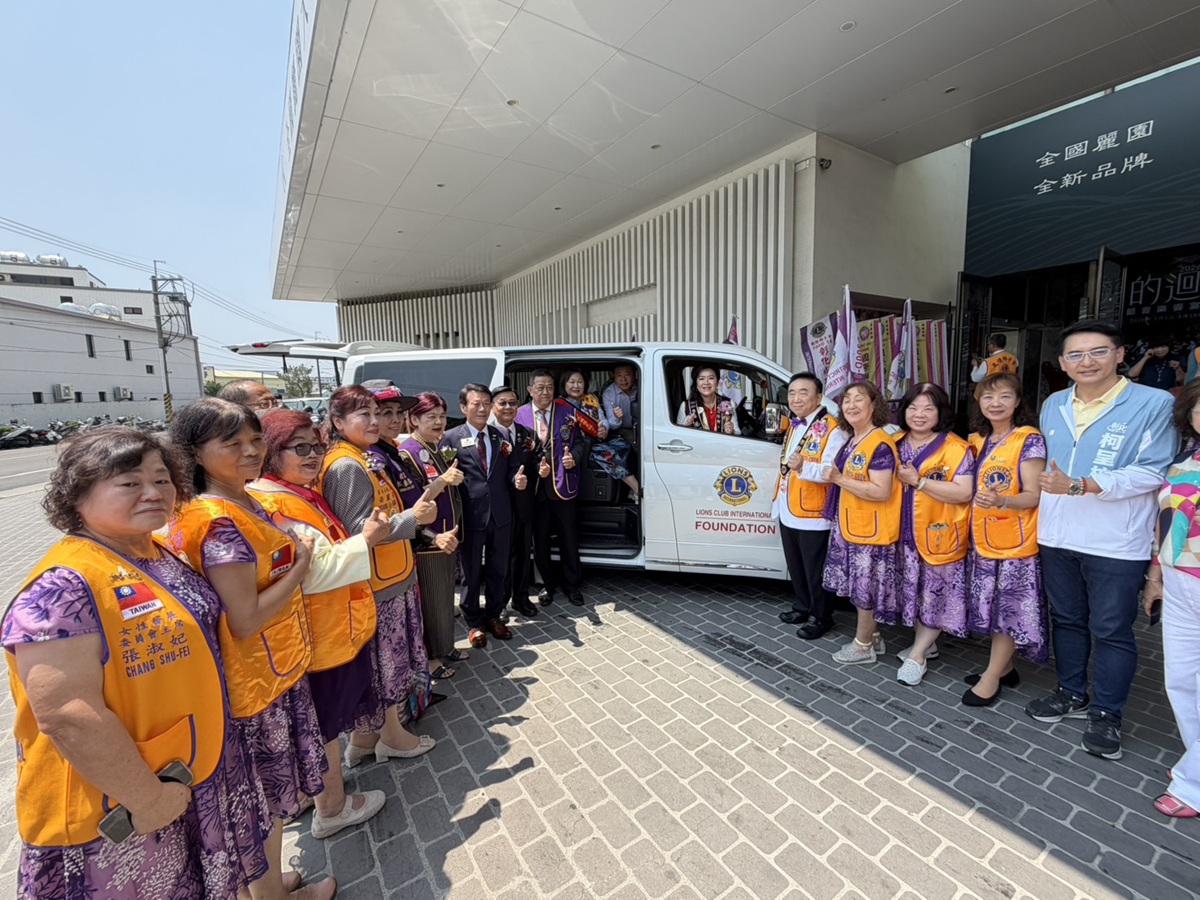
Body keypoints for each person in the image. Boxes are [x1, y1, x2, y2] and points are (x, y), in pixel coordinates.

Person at [3, 427, 270, 899]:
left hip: (184, 771)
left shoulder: (151, 552)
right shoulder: (62, 587)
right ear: (79, 494)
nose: (153, 492)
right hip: (121, 806)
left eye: (161, 479)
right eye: (129, 483)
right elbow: (66, 713)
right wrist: (147, 800)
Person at [168, 399, 334, 900]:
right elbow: (244, 618)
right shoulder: (218, 521)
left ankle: (264, 886)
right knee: (266, 801)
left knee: (259, 803)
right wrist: (301, 565)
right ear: (194, 453)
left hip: (269, 672)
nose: (251, 451)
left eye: (255, 439)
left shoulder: (238, 501)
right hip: (256, 686)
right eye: (232, 443)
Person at [1026, 319, 1175, 760]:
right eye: (1075, 354)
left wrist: (1082, 485)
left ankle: (1107, 713)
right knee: (1066, 619)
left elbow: (1153, 470)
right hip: (1057, 534)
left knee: (1111, 629)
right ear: (1062, 363)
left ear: (1120, 354)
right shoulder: (1054, 403)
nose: (1086, 361)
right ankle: (1071, 692)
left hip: (1116, 541)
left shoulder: (1153, 402)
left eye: (1098, 351)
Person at [248, 410, 389, 841]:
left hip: (329, 629)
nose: (313, 456)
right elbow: (315, 572)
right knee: (322, 726)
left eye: (316, 446)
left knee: (322, 723)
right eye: (300, 448)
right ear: (272, 452)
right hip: (317, 636)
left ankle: (318, 792)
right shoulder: (277, 504)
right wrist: (366, 540)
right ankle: (332, 808)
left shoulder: (295, 493)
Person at [318, 385, 440, 768]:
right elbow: (360, 532)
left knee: (383, 663)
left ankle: (364, 741)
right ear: (338, 422)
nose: (375, 422)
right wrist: (412, 519)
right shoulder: (346, 466)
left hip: (387, 576)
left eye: (377, 413)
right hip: (378, 584)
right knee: (387, 664)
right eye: (364, 415)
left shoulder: (360, 456)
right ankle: (392, 737)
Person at [962, 373, 1047, 707]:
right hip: (982, 539)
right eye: (988, 397)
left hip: (1014, 545)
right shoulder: (976, 440)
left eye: (1004, 397)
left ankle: (991, 677)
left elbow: (1034, 495)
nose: (995, 404)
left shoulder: (1028, 439)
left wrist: (1003, 501)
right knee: (992, 607)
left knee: (1007, 611)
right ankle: (1005, 668)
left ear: (1018, 401)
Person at [888, 383, 974, 686]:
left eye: (928, 408)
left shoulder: (956, 448)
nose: (919, 414)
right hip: (900, 534)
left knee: (934, 594)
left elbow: (964, 492)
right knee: (912, 592)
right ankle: (928, 644)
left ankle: (918, 655)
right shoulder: (893, 443)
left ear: (941, 412)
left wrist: (920, 482)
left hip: (938, 535)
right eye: (913, 407)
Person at [1143, 380, 1200, 817]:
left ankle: (1193, 785)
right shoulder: (1186, 460)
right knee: (1180, 681)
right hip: (1179, 583)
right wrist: (1156, 576)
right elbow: (1167, 521)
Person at [820, 381, 899, 664]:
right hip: (853, 524)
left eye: (859, 399)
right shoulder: (855, 439)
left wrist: (839, 479)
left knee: (865, 588)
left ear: (874, 405)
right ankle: (873, 637)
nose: (851, 405)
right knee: (858, 586)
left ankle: (862, 646)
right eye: (847, 400)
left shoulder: (880, 443)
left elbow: (882, 491)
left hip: (870, 531)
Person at [444, 384, 526, 646]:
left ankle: (493, 614)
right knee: (471, 572)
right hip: (471, 515)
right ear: (463, 407)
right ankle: (474, 621)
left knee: (498, 568)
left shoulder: (499, 436)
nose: (482, 409)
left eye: (486, 404)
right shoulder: (450, 438)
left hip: (501, 513)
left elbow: (512, 468)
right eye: (476, 404)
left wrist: (516, 479)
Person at [394, 392, 466, 672]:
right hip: (429, 539)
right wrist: (444, 481)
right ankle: (435, 657)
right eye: (431, 417)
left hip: (448, 535)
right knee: (433, 602)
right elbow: (415, 501)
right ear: (413, 420)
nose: (439, 422)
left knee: (445, 597)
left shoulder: (436, 445)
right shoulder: (408, 452)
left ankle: (447, 647)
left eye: (442, 416)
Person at [772, 373, 846, 641]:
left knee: (816, 570)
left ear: (819, 397)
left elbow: (831, 472)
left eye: (804, 392)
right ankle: (803, 606)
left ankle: (821, 616)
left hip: (813, 512)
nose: (796, 398)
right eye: (792, 393)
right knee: (796, 565)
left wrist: (804, 466)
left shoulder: (833, 428)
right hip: (789, 506)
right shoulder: (795, 424)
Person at [516, 369, 587, 607]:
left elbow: (579, 442)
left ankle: (572, 585)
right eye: (540, 387)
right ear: (530, 390)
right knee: (541, 540)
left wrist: (573, 457)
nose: (545, 392)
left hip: (562, 485)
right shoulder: (519, 415)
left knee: (569, 537)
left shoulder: (568, 412)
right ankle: (547, 584)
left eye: (549, 387)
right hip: (534, 489)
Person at [491, 384, 540, 619]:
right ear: (493, 407)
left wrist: (542, 468)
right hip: (498, 506)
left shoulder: (527, 434)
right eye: (502, 403)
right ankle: (499, 602)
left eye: (512, 402)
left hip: (523, 504)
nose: (508, 407)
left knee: (522, 553)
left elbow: (537, 459)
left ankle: (521, 598)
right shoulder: (487, 435)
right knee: (500, 556)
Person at [595, 364, 640, 499]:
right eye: (619, 375)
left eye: (627, 374)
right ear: (613, 376)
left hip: (642, 428)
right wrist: (617, 417)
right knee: (633, 446)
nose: (623, 379)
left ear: (634, 375)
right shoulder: (609, 393)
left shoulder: (643, 386)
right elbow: (612, 425)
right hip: (621, 430)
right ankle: (636, 489)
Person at [677, 364, 741, 434]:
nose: (706, 382)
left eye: (711, 378)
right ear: (696, 383)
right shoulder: (686, 406)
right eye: (701, 379)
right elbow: (677, 435)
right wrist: (685, 426)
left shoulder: (727, 403)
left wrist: (732, 431)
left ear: (717, 382)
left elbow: (738, 432)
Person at [970, 333, 1019, 400]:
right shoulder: (1014, 359)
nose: (988, 346)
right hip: (1008, 391)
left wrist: (975, 366)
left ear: (993, 345)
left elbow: (975, 378)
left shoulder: (988, 362)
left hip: (992, 392)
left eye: (989, 344)